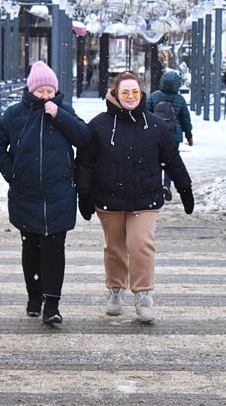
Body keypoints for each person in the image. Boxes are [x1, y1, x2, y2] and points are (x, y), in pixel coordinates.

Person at [75, 70, 193, 323]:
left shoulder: (155, 125)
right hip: (109, 198)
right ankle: (115, 290)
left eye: (135, 92)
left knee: (141, 244)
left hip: (145, 197)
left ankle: (143, 294)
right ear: (115, 94)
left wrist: (185, 187)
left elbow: (172, 158)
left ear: (141, 93)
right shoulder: (98, 125)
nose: (130, 97)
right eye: (125, 92)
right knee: (115, 247)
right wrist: (83, 192)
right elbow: (84, 162)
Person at [0, 61, 91, 325]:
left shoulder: (64, 111)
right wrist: (12, 172)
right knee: (31, 248)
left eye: (49, 90)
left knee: (54, 250)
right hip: (26, 194)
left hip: (59, 194)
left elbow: (85, 138)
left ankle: (52, 304)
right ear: (30, 90)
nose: (45, 96)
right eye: (40, 91)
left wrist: (60, 115)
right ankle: (34, 296)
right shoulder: (15, 115)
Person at [146, 69, 194, 201]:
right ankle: (166, 185)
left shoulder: (154, 96)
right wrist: (189, 135)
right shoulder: (180, 100)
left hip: (155, 134)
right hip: (173, 136)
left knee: (156, 160)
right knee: (170, 162)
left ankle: (156, 185)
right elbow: (185, 119)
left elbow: (145, 114)